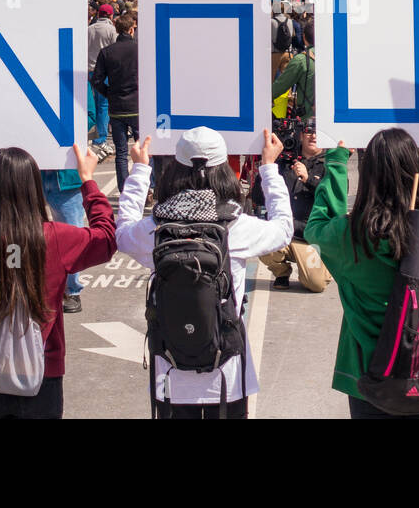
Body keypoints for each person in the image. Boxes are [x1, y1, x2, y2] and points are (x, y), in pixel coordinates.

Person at [0, 143, 116, 419]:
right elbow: (106, 239)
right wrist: (88, 182)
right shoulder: (55, 238)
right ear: (33, 189)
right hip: (42, 374)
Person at [116, 127, 291, 418]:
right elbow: (284, 229)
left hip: (169, 373)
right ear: (223, 170)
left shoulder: (157, 227)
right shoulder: (235, 225)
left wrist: (140, 172)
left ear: (175, 169)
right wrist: (269, 169)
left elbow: (121, 234)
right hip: (228, 375)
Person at [305, 127, 419, 419]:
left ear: (367, 172)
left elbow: (316, 227)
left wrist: (335, 163)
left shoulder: (349, 236)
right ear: (414, 171)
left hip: (367, 378)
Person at [40, 85, 98, 313]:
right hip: (34, 170)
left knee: (72, 235)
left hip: (66, 174)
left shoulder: (77, 81)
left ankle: (72, 290)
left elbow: (91, 117)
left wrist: (59, 124)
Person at [259, 117, 332, 291]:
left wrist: (308, 180)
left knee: (316, 284)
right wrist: (267, 164)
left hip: (311, 237)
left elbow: (334, 200)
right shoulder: (285, 161)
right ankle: (281, 271)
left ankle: (326, 263)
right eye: (308, 132)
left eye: (318, 133)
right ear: (300, 136)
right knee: (260, 241)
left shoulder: (331, 165)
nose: (313, 136)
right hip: (284, 232)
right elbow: (259, 196)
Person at [93, 11, 139, 192]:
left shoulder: (107, 52)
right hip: (137, 104)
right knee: (142, 150)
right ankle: (145, 187)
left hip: (117, 106)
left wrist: (109, 93)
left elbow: (96, 80)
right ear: (131, 30)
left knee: (121, 152)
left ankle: (124, 189)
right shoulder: (139, 49)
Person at [86, 3, 117, 162]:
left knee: (90, 106)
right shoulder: (111, 30)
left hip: (89, 69)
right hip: (104, 70)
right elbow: (114, 49)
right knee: (103, 105)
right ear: (110, 16)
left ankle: (92, 137)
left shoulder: (89, 29)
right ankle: (101, 139)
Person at [271, 19, 315, 119]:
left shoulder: (301, 60)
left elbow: (279, 87)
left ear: (304, 37)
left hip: (308, 119)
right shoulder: (333, 57)